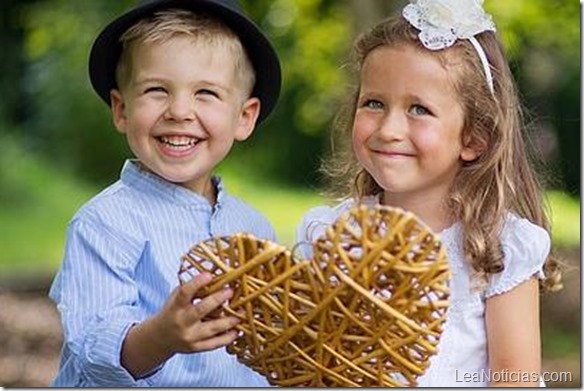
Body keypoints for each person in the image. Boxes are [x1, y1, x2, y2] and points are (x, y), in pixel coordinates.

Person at [296, 0, 562, 387]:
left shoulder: (499, 249)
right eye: (374, 103)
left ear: (473, 138)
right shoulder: (331, 234)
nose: (388, 129)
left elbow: (514, 378)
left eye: (418, 109)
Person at [49, 0, 281, 386]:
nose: (179, 111)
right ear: (121, 110)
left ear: (244, 117)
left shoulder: (254, 228)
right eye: (157, 89)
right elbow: (93, 351)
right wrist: (162, 337)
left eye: (206, 93)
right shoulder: (104, 223)